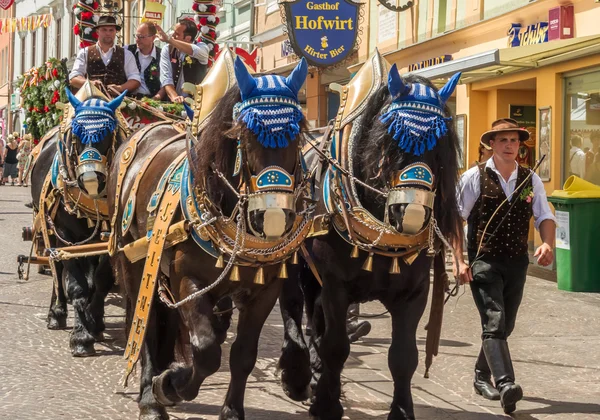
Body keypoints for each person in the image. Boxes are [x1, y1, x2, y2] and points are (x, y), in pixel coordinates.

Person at [453, 118, 556, 414]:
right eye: (503, 140)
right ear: (491, 145)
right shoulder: (473, 177)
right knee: (495, 319)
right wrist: (458, 261)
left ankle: (480, 374)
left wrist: (547, 243)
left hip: (516, 262)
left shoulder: (530, 178)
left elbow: (544, 215)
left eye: (514, 140)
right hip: (483, 260)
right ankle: (506, 383)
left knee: (505, 324)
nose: (510, 145)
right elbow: (456, 222)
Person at [69, 15, 141, 95]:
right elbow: (73, 78)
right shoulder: (85, 52)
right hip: (91, 101)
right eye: (104, 30)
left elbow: (135, 79)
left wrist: (120, 88)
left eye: (111, 30)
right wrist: (89, 84)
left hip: (118, 103)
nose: (108, 33)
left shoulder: (127, 54)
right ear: (97, 31)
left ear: (115, 32)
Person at [157, 19, 209, 103]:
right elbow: (166, 78)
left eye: (177, 34)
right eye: (174, 32)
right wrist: (174, 97)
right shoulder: (167, 49)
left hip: (197, 104)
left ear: (188, 38)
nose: (172, 35)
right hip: (173, 102)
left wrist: (169, 39)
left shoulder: (202, 47)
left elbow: (194, 50)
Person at [126, 22, 165, 100]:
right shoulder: (127, 51)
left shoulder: (162, 55)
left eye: (142, 37)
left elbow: (165, 83)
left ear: (153, 38)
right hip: (128, 98)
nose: (137, 40)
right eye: (137, 36)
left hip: (152, 100)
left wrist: (155, 100)